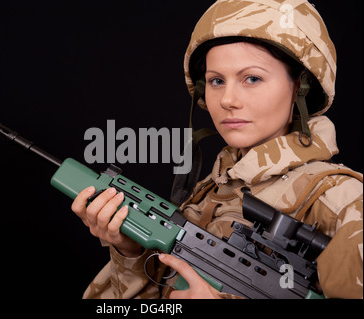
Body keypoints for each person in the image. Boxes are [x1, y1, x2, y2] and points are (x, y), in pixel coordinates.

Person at [71, 0, 363, 299]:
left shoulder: (342, 201)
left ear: (300, 87)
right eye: (216, 81)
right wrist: (130, 248)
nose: (228, 99)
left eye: (252, 78)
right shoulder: (213, 191)